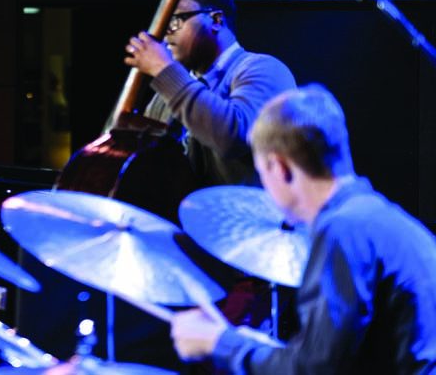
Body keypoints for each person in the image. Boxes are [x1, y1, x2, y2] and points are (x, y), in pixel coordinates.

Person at [169, 84, 436, 374]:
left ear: (279, 167)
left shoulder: (342, 231)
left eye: (262, 175)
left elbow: (316, 369)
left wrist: (220, 344)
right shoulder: (388, 221)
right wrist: (251, 345)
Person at [124, 0, 296, 187]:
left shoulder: (263, 69)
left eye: (176, 19)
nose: (166, 32)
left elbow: (233, 137)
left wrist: (164, 70)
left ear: (216, 20)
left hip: (243, 217)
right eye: (164, 21)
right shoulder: (168, 90)